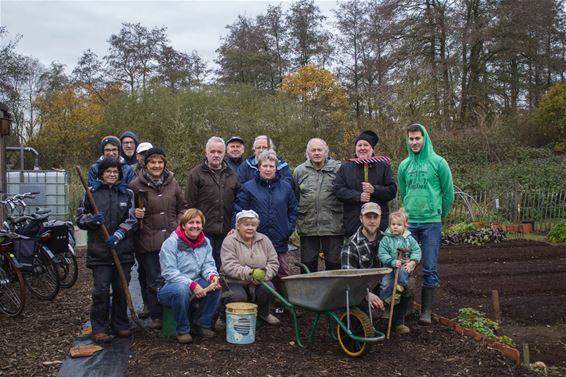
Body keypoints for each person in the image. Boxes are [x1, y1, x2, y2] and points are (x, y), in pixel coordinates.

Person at [397, 123, 454, 325]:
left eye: (417, 138)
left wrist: (438, 212)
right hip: (410, 224)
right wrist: (410, 213)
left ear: (425, 138)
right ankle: (403, 311)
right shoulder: (404, 166)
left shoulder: (438, 163)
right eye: (411, 139)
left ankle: (426, 312)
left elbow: (448, 193)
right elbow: (404, 193)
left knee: (429, 267)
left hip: (431, 224)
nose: (414, 142)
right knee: (404, 266)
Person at [76, 158, 137, 343]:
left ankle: (119, 323)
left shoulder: (127, 193)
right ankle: (99, 327)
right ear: (102, 173)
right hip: (100, 252)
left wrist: (119, 234)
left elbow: (133, 219)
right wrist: (92, 219)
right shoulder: (90, 193)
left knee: (120, 288)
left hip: (122, 251)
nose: (112, 175)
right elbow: (79, 218)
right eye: (108, 171)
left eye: (115, 172)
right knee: (101, 290)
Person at [129, 147, 187, 329]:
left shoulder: (172, 183)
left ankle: (174, 312)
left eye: (160, 162)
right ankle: (157, 315)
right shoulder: (135, 185)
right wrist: (134, 213)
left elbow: (183, 207)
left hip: (172, 239)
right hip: (148, 239)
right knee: (154, 279)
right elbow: (127, 213)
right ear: (145, 165)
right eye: (152, 162)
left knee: (173, 277)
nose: (156, 165)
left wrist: (178, 225)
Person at [157, 209, 222, 344]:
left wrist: (212, 276)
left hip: (196, 281)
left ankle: (201, 324)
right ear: (183, 225)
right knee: (181, 290)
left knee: (216, 287)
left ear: (202, 226)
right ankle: (183, 330)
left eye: (198, 222)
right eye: (190, 222)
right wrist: (191, 284)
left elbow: (208, 265)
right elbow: (169, 272)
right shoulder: (171, 243)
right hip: (170, 286)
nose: (195, 226)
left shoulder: (205, 242)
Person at [234, 149, 297, 282]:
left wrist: (288, 228)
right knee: (258, 273)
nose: (268, 169)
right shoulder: (248, 188)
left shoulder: (286, 187)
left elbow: (293, 210)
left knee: (282, 272)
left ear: (276, 168)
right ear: (259, 167)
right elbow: (239, 211)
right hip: (255, 239)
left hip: (280, 238)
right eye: (264, 166)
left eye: (271, 166)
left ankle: (282, 301)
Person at [186, 136, 240, 269]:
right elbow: (189, 204)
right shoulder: (196, 174)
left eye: (219, 152)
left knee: (223, 267)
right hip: (204, 232)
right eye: (212, 151)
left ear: (224, 154)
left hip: (227, 231)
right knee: (204, 267)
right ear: (206, 153)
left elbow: (238, 203)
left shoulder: (232, 175)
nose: (216, 155)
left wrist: (234, 226)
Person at [221, 210, 280, 325]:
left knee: (269, 288)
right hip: (232, 280)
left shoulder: (264, 240)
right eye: (246, 224)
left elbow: (274, 263)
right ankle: (223, 316)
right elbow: (229, 266)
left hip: (259, 280)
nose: (250, 228)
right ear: (238, 226)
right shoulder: (229, 241)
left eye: (253, 225)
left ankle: (263, 313)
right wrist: (251, 273)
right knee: (237, 296)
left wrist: (263, 275)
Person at [293, 138, 343, 272]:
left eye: (319, 150)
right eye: (313, 150)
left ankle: (335, 293)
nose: (316, 153)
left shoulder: (338, 169)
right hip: (308, 225)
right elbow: (295, 197)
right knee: (308, 264)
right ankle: (309, 292)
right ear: (308, 153)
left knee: (334, 263)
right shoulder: (299, 171)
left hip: (333, 225)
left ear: (326, 152)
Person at [334, 130, 397, 237]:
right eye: (359, 145)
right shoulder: (345, 168)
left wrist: (375, 190)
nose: (362, 148)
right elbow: (338, 190)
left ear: (372, 148)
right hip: (353, 223)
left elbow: (391, 191)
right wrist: (358, 196)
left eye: (366, 145)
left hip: (378, 225)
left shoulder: (383, 166)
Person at [377, 209, 421, 334]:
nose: (395, 227)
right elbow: (382, 253)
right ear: (389, 225)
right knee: (385, 284)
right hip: (389, 267)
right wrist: (391, 261)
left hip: (404, 267)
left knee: (404, 275)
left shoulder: (408, 239)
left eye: (399, 225)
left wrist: (413, 261)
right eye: (393, 224)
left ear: (404, 226)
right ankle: (386, 305)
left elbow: (417, 251)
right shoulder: (386, 239)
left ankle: (399, 289)